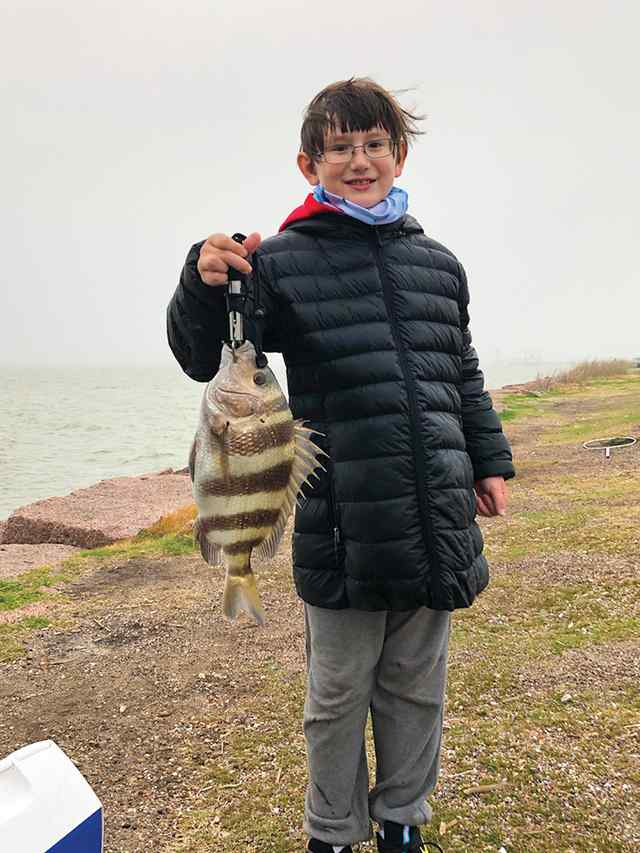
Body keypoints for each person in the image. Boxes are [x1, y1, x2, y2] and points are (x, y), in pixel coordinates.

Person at [167, 77, 515, 853]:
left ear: (398, 153)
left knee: (415, 691)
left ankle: (401, 822)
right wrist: (201, 278)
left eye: (373, 144)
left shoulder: (439, 264)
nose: (359, 161)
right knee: (335, 697)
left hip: (435, 516)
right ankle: (332, 832)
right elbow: (211, 354)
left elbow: (460, 370)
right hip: (345, 526)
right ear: (308, 162)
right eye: (339, 148)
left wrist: (488, 459)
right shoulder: (282, 261)